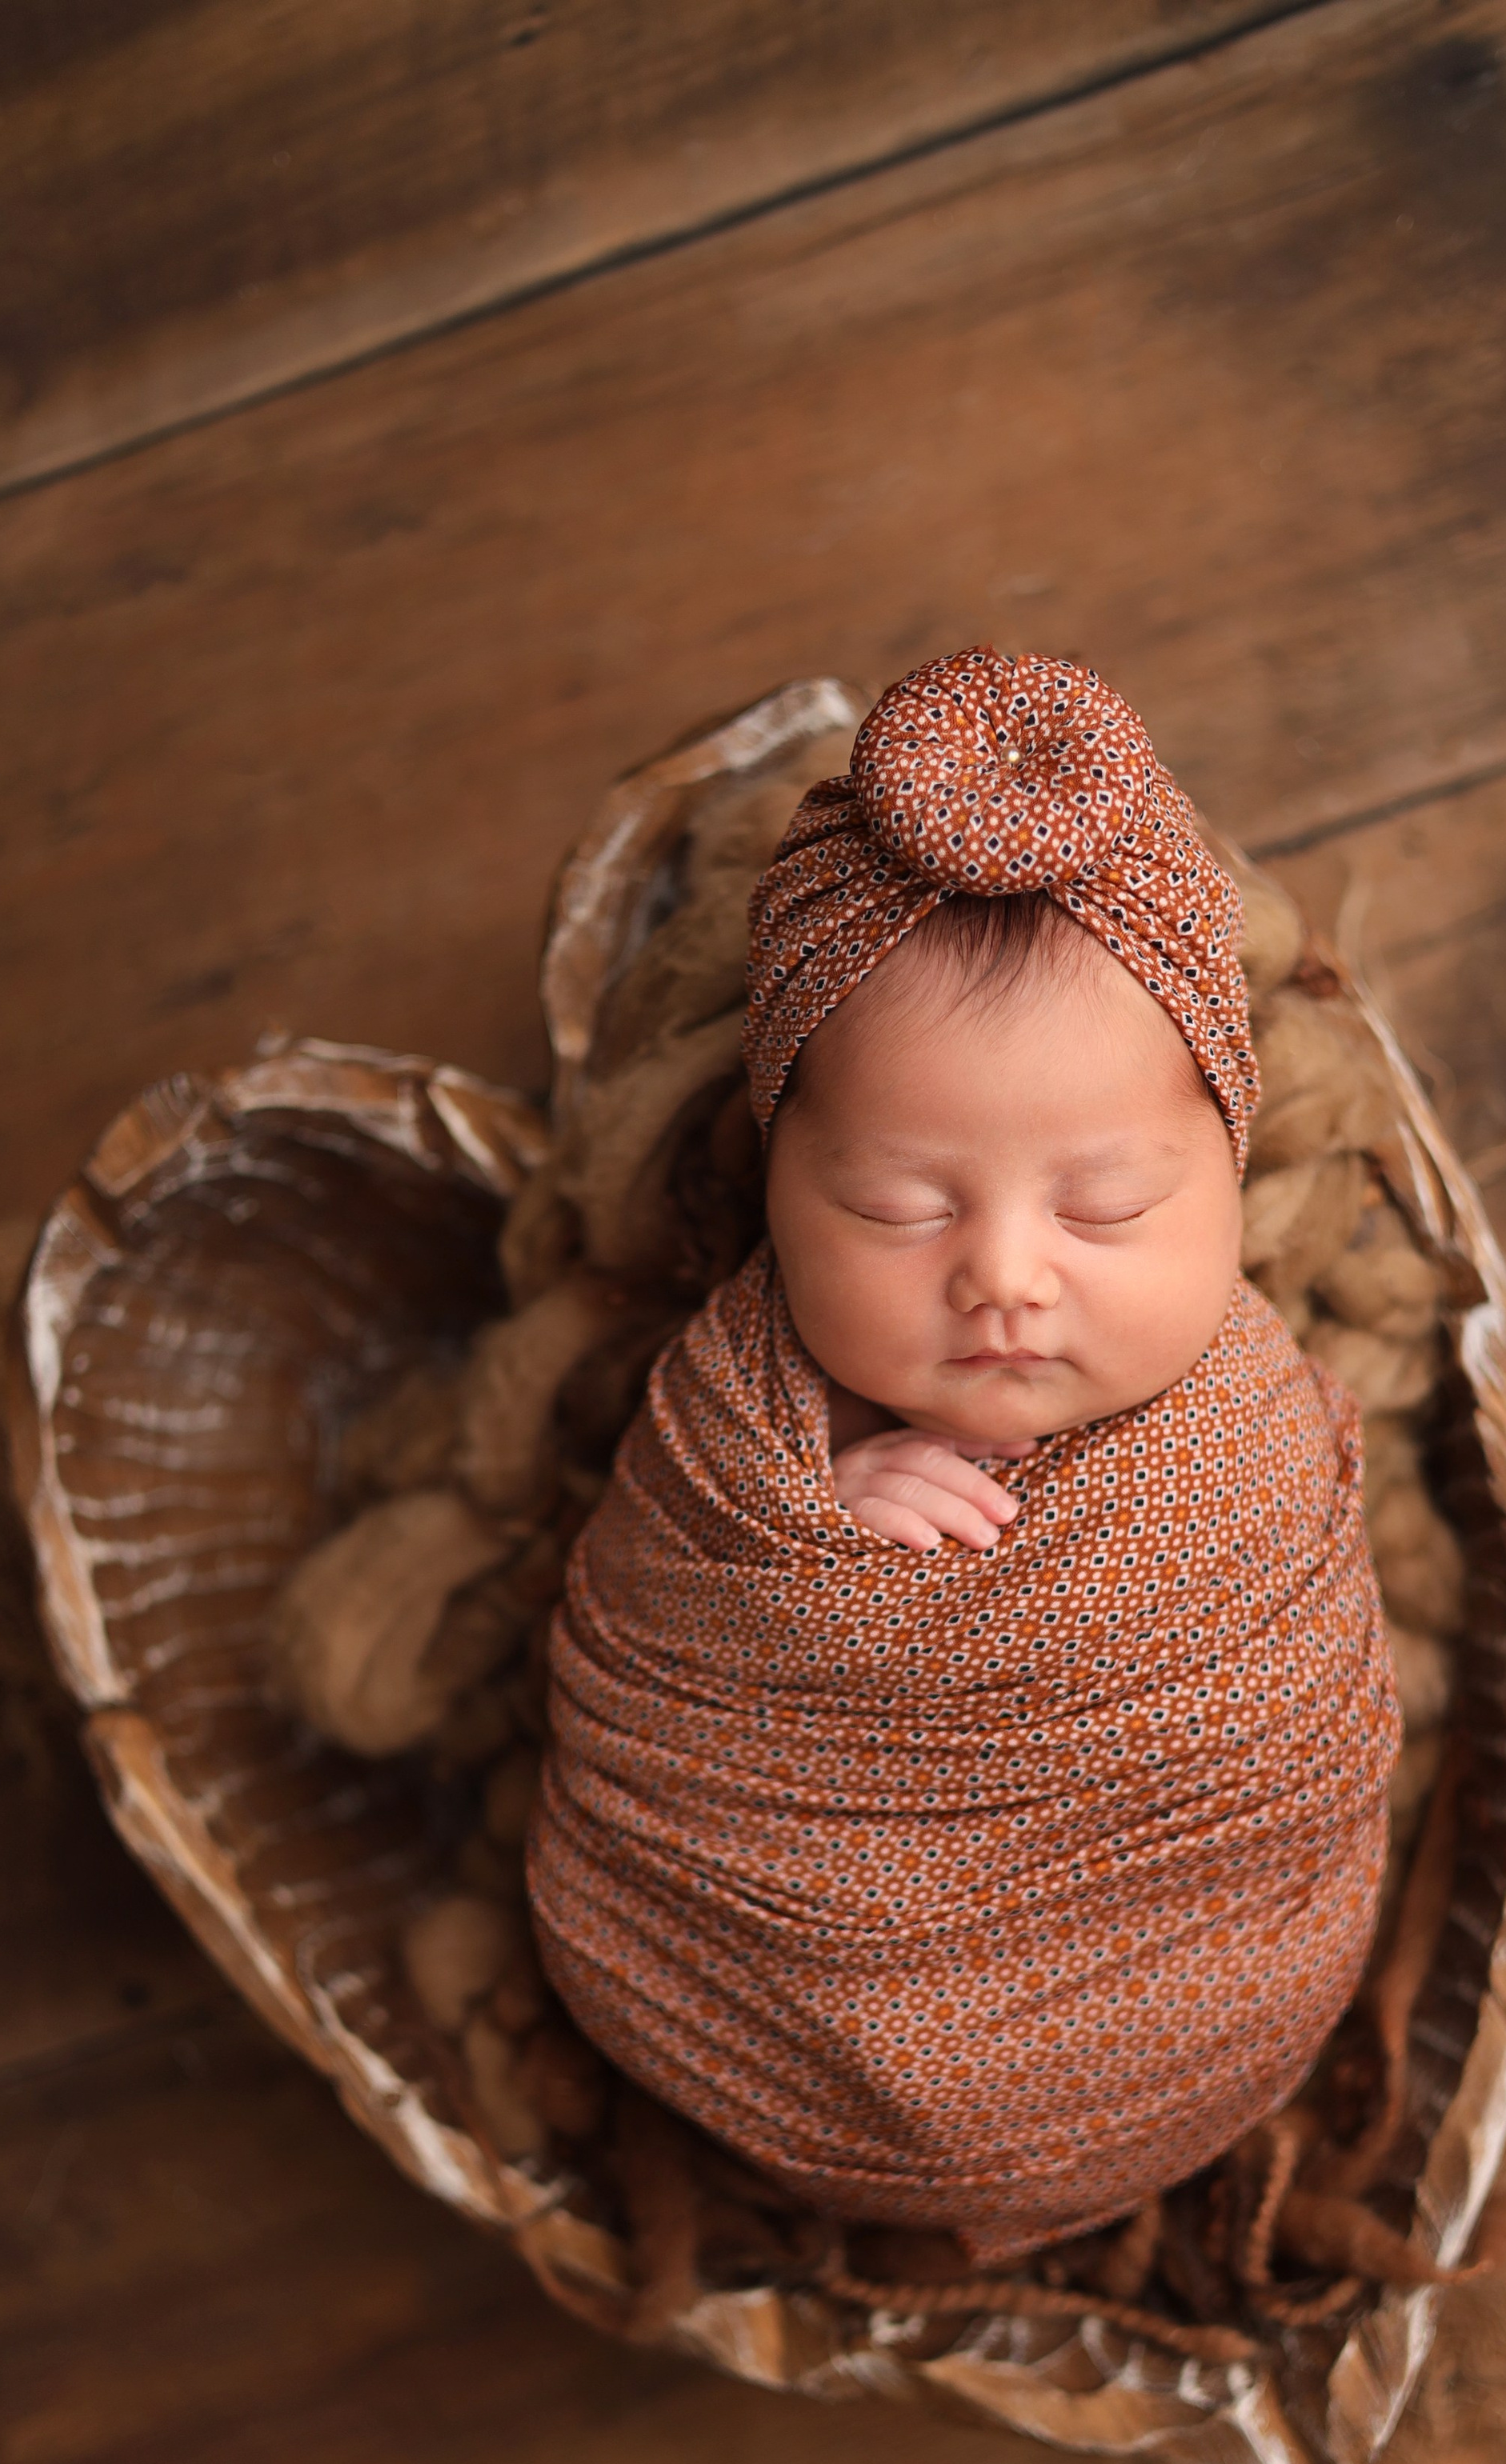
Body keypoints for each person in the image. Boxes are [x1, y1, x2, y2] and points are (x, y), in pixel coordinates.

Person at [528, 649, 1400, 2263]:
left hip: (1186, 1980)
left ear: (1230, 1161)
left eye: (1106, 1208)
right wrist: (808, 1523)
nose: (1003, 1273)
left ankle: (1087, 2141)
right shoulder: (729, 1419)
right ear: (770, 1186)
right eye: (898, 1206)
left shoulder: (1248, 1429)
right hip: (766, 1976)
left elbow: (1292, 1735)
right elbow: (648, 1613)